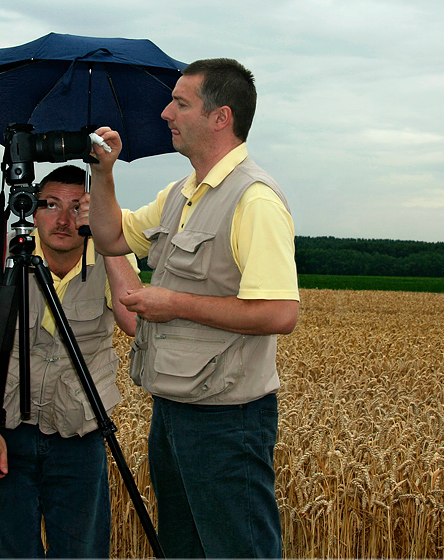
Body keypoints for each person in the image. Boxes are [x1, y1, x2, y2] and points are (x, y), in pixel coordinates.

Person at [86, 58, 300, 558]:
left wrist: (174, 302)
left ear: (221, 117)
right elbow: (111, 235)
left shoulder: (255, 199)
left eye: (180, 103)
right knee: (183, 548)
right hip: (175, 409)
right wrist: (103, 175)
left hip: (229, 419)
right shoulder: (179, 195)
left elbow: (279, 312)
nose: (165, 113)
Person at [0, 164, 141, 558]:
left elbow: (135, 322)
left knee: (82, 553)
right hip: (5, 433)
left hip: (80, 437)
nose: (64, 220)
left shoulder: (112, 259)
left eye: (78, 207)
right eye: (50, 205)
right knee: (7, 552)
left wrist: (107, 237)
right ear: (31, 210)